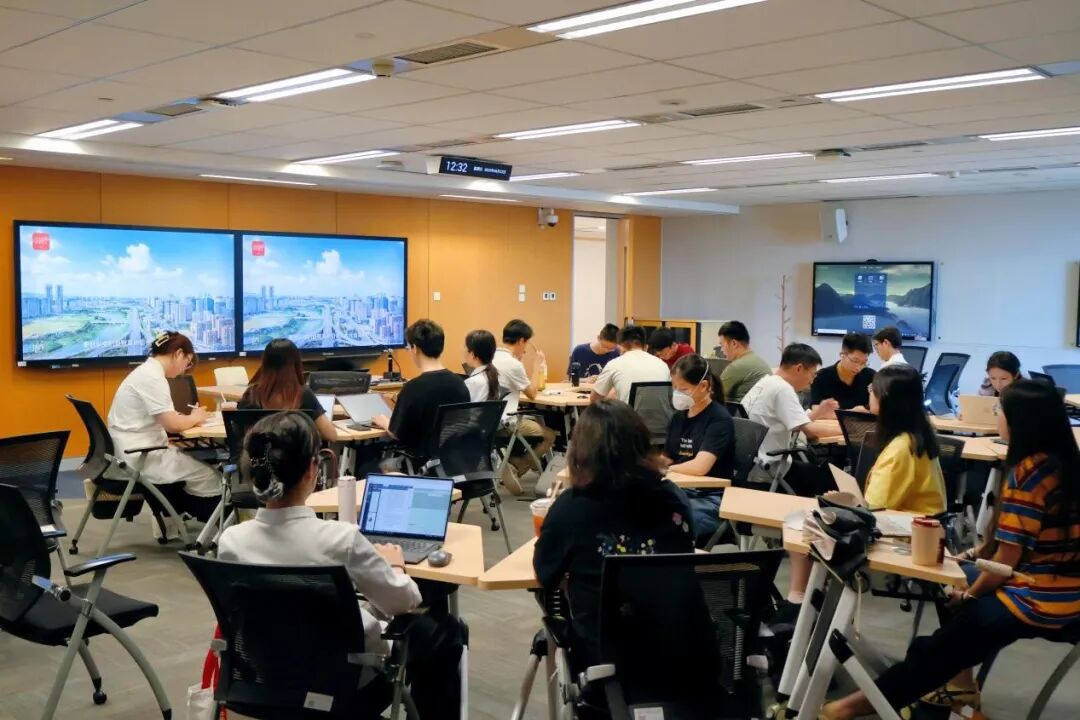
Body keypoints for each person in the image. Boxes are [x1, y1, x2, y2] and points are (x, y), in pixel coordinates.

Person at [822, 380, 1080, 719]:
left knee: (939, 647)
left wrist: (970, 595)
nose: (997, 416)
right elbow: (1008, 544)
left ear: (1020, 421)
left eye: (1000, 410)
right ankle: (960, 684)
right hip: (1060, 587)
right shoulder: (1064, 463)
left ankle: (847, 708)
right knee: (954, 580)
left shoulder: (1029, 473)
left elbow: (1007, 559)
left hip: (1040, 599)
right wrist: (968, 560)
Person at [218, 412, 463, 720]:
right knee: (444, 630)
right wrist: (396, 567)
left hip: (261, 682)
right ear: (312, 469)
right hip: (342, 690)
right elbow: (403, 602)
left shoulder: (232, 541)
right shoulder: (340, 539)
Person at [534, 400, 694, 668]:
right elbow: (686, 550)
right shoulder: (673, 499)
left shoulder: (571, 508)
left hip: (605, 660)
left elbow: (545, 573)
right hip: (679, 651)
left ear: (580, 452)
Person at [742, 344, 840, 612]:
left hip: (752, 466)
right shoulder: (783, 389)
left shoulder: (766, 381)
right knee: (833, 486)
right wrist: (847, 430)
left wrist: (817, 413)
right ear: (799, 368)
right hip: (773, 469)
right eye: (811, 374)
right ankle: (825, 566)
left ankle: (808, 575)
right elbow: (809, 432)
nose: (812, 380)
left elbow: (794, 421)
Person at [106, 331, 221, 522]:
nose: (184, 370)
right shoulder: (153, 378)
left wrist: (188, 418)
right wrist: (196, 417)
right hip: (140, 456)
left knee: (193, 464)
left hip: (131, 449)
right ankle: (209, 525)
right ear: (179, 354)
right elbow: (173, 425)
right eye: (187, 362)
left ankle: (175, 519)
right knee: (210, 476)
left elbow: (164, 416)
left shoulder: (146, 372)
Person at [659, 354, 734, 545]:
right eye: (675, 388)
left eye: (683, 389)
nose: (677, 394)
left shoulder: (719, 419)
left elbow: (700, 467)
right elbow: (667, 457)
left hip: (709, 497)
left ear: (703, 386)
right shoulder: (678, 417)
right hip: (681, 490)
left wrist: (667, 470)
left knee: (665, 522)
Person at [372, 319, 469, 460]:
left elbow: (396, 433)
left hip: (419, 462)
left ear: (415, 349)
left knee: (365, 461)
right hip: (452, 462)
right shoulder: (460, 383)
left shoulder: (413, 388)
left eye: (408, 348)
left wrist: (384, 421)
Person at [863, 365, 946, 514]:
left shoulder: (900, 449)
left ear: (886, 399)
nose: (870, 393)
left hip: (902, 526)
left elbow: (875, 508)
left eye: (872, 389)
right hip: (920, 523)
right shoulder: (915, 436)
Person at [493, 319, 556, 491]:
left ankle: (511, 463)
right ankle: (517, 465)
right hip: (507, 422)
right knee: (549, 435)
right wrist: (536, 365)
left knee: (531, 424)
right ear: (521, 340)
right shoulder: (513, 364)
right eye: (526, 343)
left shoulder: (491, 356)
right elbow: (532, 393)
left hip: (489, 422)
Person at [239, 338, 337, 442]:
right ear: (296, 363)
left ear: (265, 363)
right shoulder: (303, 395)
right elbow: (331, 436)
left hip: (260, 452)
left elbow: (238, 433)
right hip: (296, 453)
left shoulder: (251, 394)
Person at [590, 324, 670, 404]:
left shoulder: (614, 364)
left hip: (627, 412)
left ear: (620, 346)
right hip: (661, 412)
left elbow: (595, 398)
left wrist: (612, 397)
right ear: (645, 347)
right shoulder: (663, 365)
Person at [810, 332, 875, 415]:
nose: (858, 367)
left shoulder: (871, 376)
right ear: (842, 354)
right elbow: (816, 411)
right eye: (855, 361)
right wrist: (852, 413)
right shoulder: (821, 377)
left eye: (864, 362)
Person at [717, 321, 772, 403]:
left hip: (739, 411)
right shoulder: (760, 362)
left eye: (722, 345)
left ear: (734, 343)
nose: (721, 350)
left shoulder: (737, 367)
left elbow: (712, 397)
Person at [463, 329, 500, 403]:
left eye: (465, 347)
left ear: (472, 354)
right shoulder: (494, 375)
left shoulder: (472, 382)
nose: (463, 351)